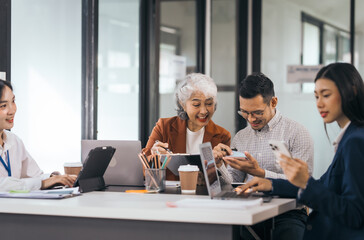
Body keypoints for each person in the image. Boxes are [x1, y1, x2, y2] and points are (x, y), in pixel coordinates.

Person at [238, 63, 364, 239]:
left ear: (352, 92)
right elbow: (324, 185)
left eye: (326, 95)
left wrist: (306, 183)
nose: (319, 103)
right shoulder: (350, 137)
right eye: (316, 96)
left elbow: (355, 214)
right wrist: (272, 185)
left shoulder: (355, 141)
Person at [214, 73, 314, 240]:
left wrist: (261, 173)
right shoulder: (241, 136)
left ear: (273, 102)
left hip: (288, 213)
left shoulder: (297, 133)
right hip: (248, 210)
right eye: (244, 113)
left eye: (257, 112)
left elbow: (304, 185)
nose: (251, 119)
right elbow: (233, 183)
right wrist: (218, 165)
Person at [143, 73, 231, 180]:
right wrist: (155, 158)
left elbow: (223, 181)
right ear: (183, 104)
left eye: (209, 103)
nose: (203, 111)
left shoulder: (223, 136)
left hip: (203, 195)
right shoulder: (163, 127)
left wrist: (214, 169)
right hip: (168, 195)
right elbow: (143, 171)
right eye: (196, 105)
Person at [0, 79, 76, 191]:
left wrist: (55, 178)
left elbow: (34, 176)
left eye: (13, 101)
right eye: (3, 106)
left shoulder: (14, 141)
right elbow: (3, 185)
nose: (12, 110)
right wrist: (43, 183)